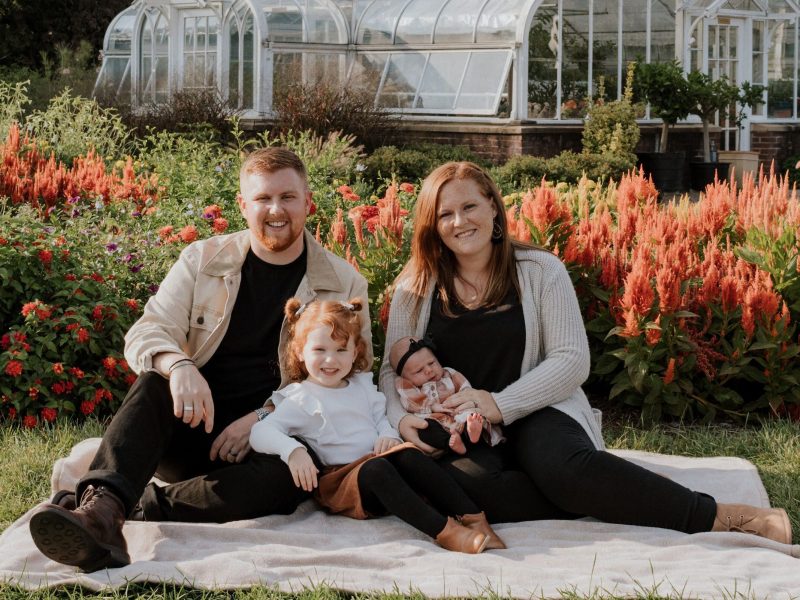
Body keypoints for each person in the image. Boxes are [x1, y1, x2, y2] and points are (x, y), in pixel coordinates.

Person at [378, 161, 792, 544]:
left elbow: (572, 360)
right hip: (459, 427)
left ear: (493, 207)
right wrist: (403, 420)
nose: (459, 221)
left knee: (563, 468)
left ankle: (723, 516)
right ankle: (594, 492)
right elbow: (388, 372)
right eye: (445, 214)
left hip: (537, 407)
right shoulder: (416, 286)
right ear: (432, 226)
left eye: (469, 206)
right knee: (475, 488)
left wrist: (499, 404)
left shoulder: (540, 270)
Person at [29, 147, 373, 572]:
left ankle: (122, 513)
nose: (275, 209)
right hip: (194, 421)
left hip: (269, 441)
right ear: (243, 205)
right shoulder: (202, 260)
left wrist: (266, 416)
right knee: (154, 380)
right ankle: (102, 508)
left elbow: (355, 374)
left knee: (296, 474)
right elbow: (147, 331)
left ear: (308, 203)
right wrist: (180, 365)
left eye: (287, 197)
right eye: (263, 199)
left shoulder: (343, 282)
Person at [249, 298, 506, 553]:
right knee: (377, 468)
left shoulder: (361, 386)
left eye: (340, 350)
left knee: (407, 454)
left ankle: (474, 518)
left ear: (355, 352)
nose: (330, 360)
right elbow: (261, 431)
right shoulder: (301, 398)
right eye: (319, 350)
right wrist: (293, 452)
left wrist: (387, 435)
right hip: (343, 483)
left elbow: (381, 418)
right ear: (299, 353)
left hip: (380, 467)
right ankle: (446, 532)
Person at [389, 336, 503, 455]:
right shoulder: (405, 385)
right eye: (419, 371)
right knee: (426, 429)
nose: (429, 370)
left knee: (472, 415)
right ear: (405, 377)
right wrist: (431, 406)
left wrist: (467, 402)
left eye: (431, 363)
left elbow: (465, 388)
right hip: (434, 418)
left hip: (458, 413)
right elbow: (410, 401)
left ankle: (471, 432)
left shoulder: (449, 373)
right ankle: (453, 443)